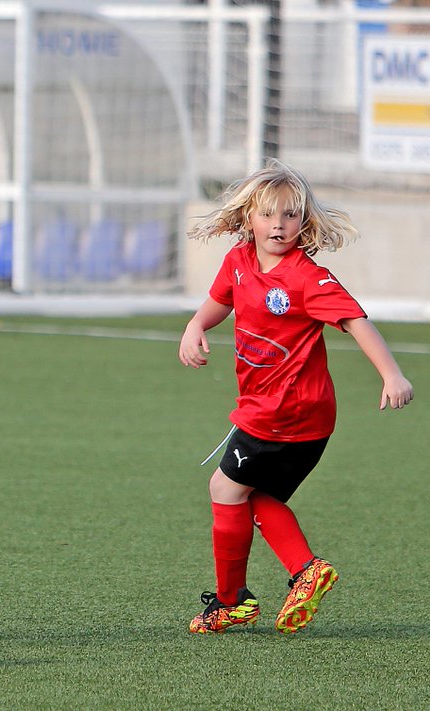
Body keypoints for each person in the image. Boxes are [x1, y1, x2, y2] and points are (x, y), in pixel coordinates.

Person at [179, 159, 414, 635]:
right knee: (252, 495)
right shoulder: (239, 262)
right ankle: (281, 581)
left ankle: (246, 596)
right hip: (301, 418)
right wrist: (196, 325)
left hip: (283, 410)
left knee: (225, 490)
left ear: (303, 223)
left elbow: (355, 321)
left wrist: (391, 374)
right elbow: (221, 300)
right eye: (268, 215)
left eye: (289, 216)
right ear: (249, 218)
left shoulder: (307, 277)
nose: (278, 225)